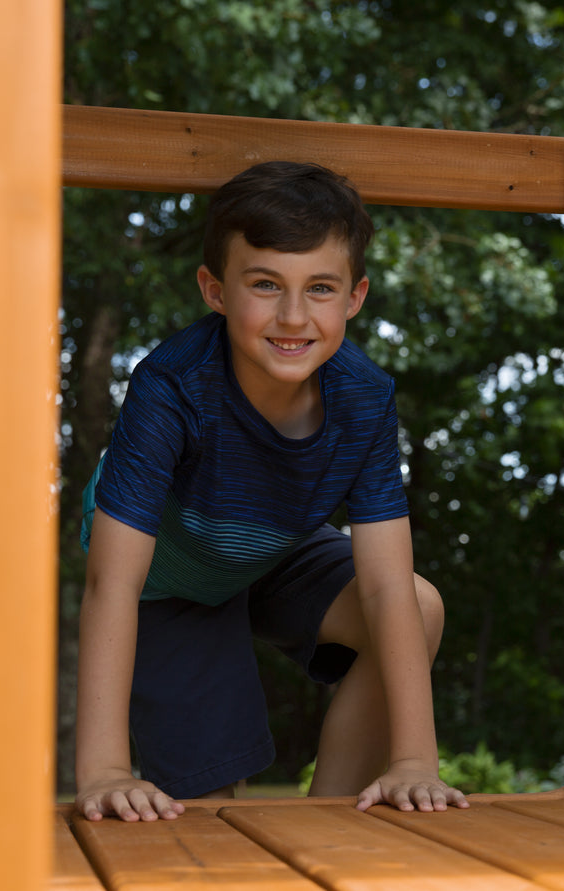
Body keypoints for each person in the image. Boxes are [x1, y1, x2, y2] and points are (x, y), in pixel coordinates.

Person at [74, 161, 468, 822]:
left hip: (270, 547)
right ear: (215, 288)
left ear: (354, 296)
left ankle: (330, 816)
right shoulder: (170, 387)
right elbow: (111, 582)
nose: (292, 315)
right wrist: (104, 770)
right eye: (264, 284)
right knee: (209, 812)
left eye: (319, 287)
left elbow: (385, 584)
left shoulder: (364, 397)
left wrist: (414, 761)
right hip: (165, 577)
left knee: (420, 604)